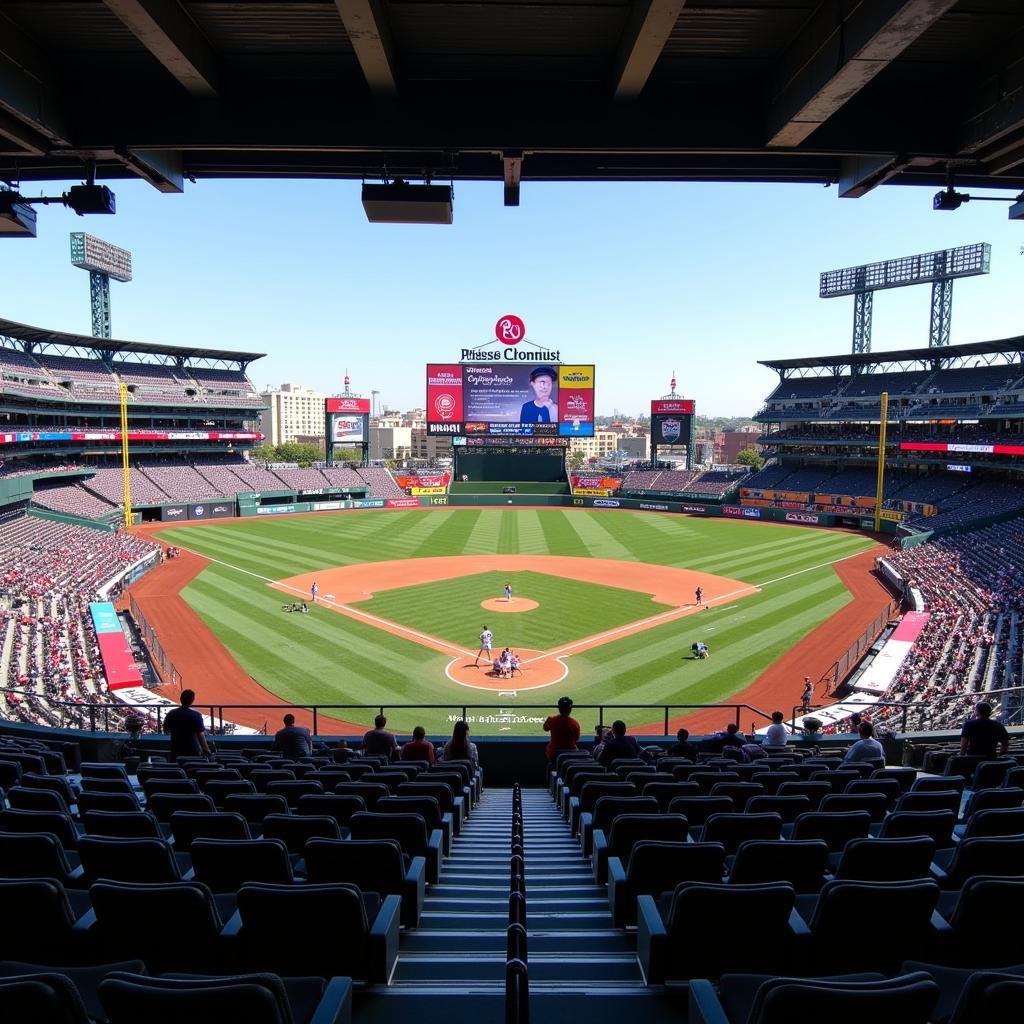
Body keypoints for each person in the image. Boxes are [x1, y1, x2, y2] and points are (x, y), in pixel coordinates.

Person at [162, 689, 211, 761]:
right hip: (193, 751)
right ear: (192, 700)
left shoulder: (171, 713)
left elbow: (166, 730)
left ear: (181, 699)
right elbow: (200, 735)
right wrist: (206, 749)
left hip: (176, 750)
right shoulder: (196, 715)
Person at [543, 696, 581, 762]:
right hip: (570, 753)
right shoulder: (574, 723)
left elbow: (545, 728)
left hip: (554, 753)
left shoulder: (551, 720)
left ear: (559, 708)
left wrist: (548, 720)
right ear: (570, 709)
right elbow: (576, 739)